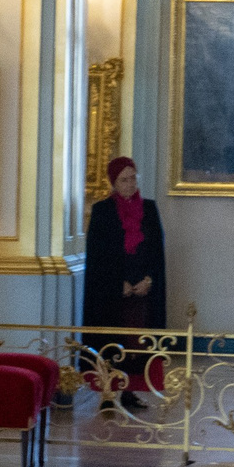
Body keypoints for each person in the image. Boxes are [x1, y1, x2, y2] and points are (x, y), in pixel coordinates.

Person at [82, 156, 167, 414]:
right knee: (112, 342)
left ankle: (130, 392)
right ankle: (108, 393)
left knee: (137, 344)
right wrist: (115, 284)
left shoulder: (149, 209)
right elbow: (97, 256)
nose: (130, 184)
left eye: (133, 178)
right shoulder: (102, 211)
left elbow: (157, 251)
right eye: (124, 180)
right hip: (114, 291)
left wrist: (149, 280)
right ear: (114, 183)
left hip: (142, 289)